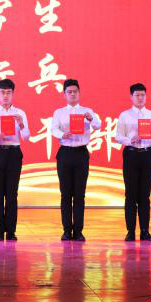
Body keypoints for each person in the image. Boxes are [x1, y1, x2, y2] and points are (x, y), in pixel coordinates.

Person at [115, 83, 151, 242]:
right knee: (130, 194)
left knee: (145, 195)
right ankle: (130, 231)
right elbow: (118, 137)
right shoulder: (124, 115)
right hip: (131, 154)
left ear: (146, 96)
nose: (140, 98)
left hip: (147, 154)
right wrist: (130, 140)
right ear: (131, 97)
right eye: (137, 95)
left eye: (143, 95)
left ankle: (145, 231)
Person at [50, 79, 101, 242]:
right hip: (65, 153)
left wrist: (91, 119)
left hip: (81, 153)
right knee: (65, 194)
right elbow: (53, 129)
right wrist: (62, 134)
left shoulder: (87, 111)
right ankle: (66, 231)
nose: (72, 94)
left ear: (79, 93)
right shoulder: (59, 112)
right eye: (69, 92)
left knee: (79, 194)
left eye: (75, 91)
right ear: (64, 94)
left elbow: (98, 125)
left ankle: (78, 231)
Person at [0, 78, 30, 242]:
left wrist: (21, 124)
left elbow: (26, 137)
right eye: (2, 92)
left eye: (9, 92)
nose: (6, 96)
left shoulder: (20, 113)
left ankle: (11, 231)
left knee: (11, 194)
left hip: (14, 154)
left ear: (13, 94)